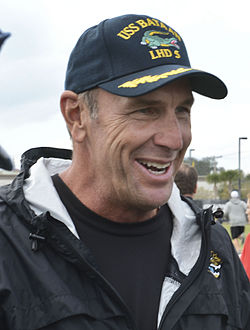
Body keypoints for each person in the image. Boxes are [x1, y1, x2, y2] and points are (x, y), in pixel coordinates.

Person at [0, 14, 249, 330]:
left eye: (182, 111)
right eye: (146, 110)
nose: (174, 139)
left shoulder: (212, 246)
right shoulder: (8, 242)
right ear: (76, 116)